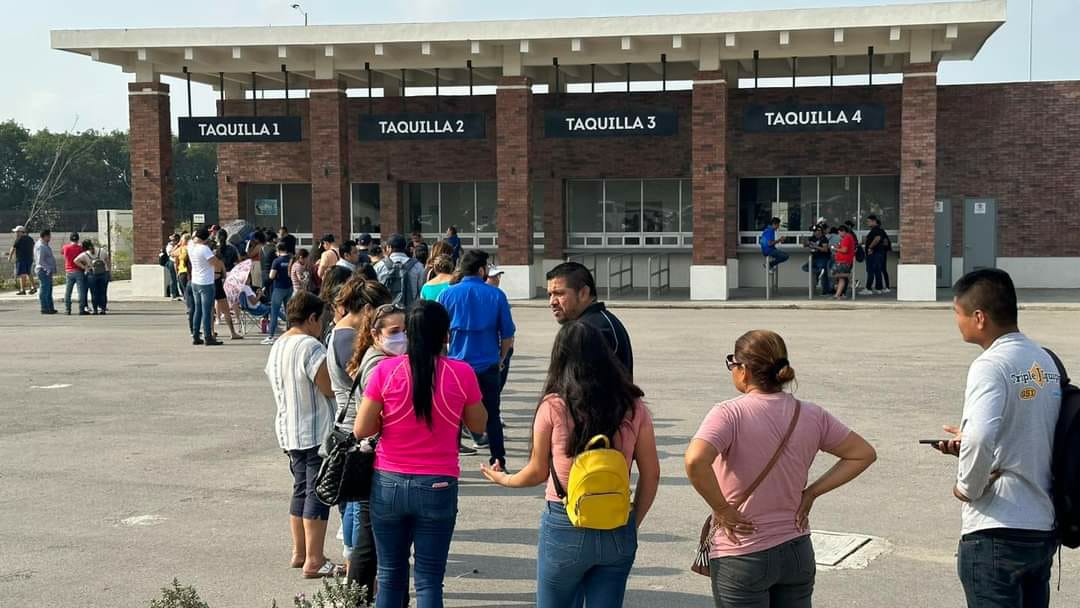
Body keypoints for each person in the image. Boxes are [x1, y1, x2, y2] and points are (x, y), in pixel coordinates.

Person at [685, 330, 877, 607]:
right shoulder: (811, 414)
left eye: (732, 363)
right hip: (796, 549)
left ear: (744, 370)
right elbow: (862, 454)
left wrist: (723, 508)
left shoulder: (729, 413)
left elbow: (695, 461)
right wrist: (811, 492)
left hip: (742, 551)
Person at [481, 321, 660, 607]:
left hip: (565, 520)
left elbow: (537, 472)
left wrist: (504, 479)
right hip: (616, 522)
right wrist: (630, 523)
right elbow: (651, 474)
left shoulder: (554, 406)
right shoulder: (634, 406)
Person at [932, 269, 1061, 608]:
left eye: (957, 313)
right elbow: (1032, 430)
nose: (956, 322)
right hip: (1041, 526)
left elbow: (979, 438)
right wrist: (971, 444)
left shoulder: (990, 365)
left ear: (979, 317)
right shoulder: (1045, 361)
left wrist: (966, 488)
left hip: (996, 530)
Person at [353, 300, 488, 608]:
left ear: (409, 334)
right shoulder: (461, 373)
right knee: (429, 580)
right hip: (438, 482)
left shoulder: (386, 370)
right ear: (446, 335)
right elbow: (479, 425)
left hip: (388, 481)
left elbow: (361, 429)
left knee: (389, 576)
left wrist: (387, 419)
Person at [264, 291, 340, 579]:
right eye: (322, 320)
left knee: (300, 489)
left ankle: (300, 552)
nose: (323, 326)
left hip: (289, 429)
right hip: (315, 429)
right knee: (317, 492)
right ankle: (315, 559)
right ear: (312, 318)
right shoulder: (310, 346)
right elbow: (328, 387)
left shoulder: (278, 344)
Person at [325, 280, 393, 600]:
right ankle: (357, 577)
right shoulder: (348, 338)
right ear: (367, 309)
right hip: (359, 434)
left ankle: (359, 578)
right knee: (360, 514)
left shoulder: (344, 333)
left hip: (357, 429)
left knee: (358, 512)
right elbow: (371, 389)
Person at [437, 250, 515, 469]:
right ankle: (498, 459)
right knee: (492, 413)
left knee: (453, 414)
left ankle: (449, 461)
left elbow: (440, 334)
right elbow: (507, 334)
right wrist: (501, 358)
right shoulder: (496, 295)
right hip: (488, 364)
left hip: (457, 364)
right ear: (481, 270)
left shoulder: (447, 295)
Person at [546, 262, 634, 378]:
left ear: (583, 293)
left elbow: (581, 385)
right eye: (550, 295)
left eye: (559, 293)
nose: (552, 302)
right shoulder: (599, 321)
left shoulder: (591, 330)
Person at [187, 228, 224, 346]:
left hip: (195, 281)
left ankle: (196, 335)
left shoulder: (190, 246)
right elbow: (214, 263)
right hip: (206, 282)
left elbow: (192, 238)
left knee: (198, 309)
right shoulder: (204, 249)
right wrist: (215, 254)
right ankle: (208, 336)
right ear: (206, 238)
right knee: (207, 311)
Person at [376, 234, 424, 308]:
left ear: (389, 247)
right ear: (404, 247)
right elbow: (421, 291)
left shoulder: (379, 266)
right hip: (410, 310)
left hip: (386, 310)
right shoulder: (417, 266)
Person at [213, 232, 242, 340]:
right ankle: (237, 318)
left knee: (217, 300)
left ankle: (218, 319)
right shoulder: (232, 248)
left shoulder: (215, 250)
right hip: (230, 273)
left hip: (216, 276)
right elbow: (238, 260)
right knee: (233, 298)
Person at [265, 242, 294, 345]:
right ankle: (290, 333)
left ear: (278, 250)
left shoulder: (277, 261)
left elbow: (271, 276)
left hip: (279, 288)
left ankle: (271, 336)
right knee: (289, 312)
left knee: (274, 312)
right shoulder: (291, 259)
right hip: (289, 288)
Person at [74, 240, 109, 315]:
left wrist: (85, 267)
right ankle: (103, 309)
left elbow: (75, 260)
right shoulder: (102, 250)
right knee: (103, 292)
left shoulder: (85, 254)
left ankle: (95, 310)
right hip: (104, 273)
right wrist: (108, 269)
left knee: (94, 293)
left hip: (92, 274)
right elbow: (107, 259)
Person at [859, 215, 891, 296]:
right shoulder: (875, 230)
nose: (867, 223)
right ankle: (878, 288)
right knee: (877, 271)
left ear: (874, 221)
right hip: (878, 253)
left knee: (871, 270)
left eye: (868, 221)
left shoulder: (877, 230)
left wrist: (870, 248)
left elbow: (877, 239)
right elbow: (867, 239)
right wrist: (861, 243)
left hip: (874, 253)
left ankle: (868, 288)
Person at [172, 234, 194, 333]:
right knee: (189, 293)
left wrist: (178, 245)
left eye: (182, 239)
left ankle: (189, 307)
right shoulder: (191, 248)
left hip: (183, 273)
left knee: (186, 292)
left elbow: (172, 254)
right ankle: (190, 307)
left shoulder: (182, 249)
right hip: (188, 273)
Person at [62, 232, 87, 315]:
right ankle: (81, 309)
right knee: (81, 291)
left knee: (68, 292)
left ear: (70, 239)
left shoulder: (65, 247)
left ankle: (67, 309)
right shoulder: (80, 248)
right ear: (78, 239)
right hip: (79, 271)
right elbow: (83, 257)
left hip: (68, 271)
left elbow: (62, 253)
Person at [803, 225, 832, 296]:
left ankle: (825, 291)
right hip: (814, 258)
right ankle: (819, 271)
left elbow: (825, 249)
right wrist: (806, 243)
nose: (815, 233)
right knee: (805, 267)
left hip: (822, 258)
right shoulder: (813, 237)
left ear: (820, 231)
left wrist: (816, 246)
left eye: (816, 231)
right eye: (814, 231)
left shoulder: (824, 239)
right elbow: (805, 245)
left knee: (824, 274)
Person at [33, 230, 57, 315]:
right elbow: (40, 261)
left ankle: (50, 307)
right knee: (45, 290)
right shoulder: (41, 246)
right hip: (44, 270)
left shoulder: (43, 244)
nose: (50, 238)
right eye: (49, 236)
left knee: (48, 290)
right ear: (45, 236)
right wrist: (48, 268)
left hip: (46, 270)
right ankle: (45, 308)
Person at [7, 225, 36, 295]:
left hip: (21, 259)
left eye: (17, 232)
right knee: (29, 273)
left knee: (22, 274)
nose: (16, 233)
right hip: (29, 259)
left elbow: (13, 248)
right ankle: (33, 287)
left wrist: (9, 257)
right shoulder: (30, 238)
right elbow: (33, 247)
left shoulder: (18, 239)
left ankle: (22, 290)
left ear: (20, 232)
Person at [164, 233, 181, 300]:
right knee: (173, 278)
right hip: (172, 262)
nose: (173, 241)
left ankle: (177, 293)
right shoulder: (170, 246)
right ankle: (173, 294)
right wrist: (176, 246)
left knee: (178, 278)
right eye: (173, 240)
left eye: (175, 240)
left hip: (178, 263)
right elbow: (171, 254)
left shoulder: (179, 245)